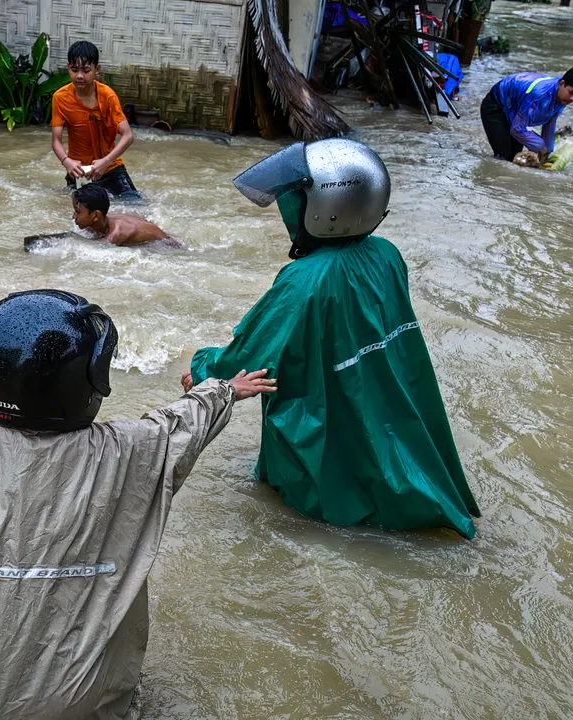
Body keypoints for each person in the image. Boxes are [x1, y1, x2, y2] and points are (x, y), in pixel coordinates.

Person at [0, 289, 275, 719]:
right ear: (89, 382)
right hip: (73, 709)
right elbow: (180, 425)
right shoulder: (130, 450)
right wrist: (225, 389)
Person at [184, 139, 481, 538]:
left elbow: (249, 356)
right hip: (378, 405)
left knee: (316, 512)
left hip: (327, 428)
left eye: (295, 200)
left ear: (325, 208)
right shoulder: (387, 254)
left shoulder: (304, 279)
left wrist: (202, 368)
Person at [51, 41, 141, 200]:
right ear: (68, 68)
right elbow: (56, 141)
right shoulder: (60, 98)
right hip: (78, 170)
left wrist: (105, 162)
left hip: (110, 167)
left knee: (136, 206)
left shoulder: (108, 97)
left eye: (86, 70)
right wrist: (67, 162)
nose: (79, 75)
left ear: (96, 70)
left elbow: (128, 136)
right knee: (79, 216)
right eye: (74, 70)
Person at [480, 66, 573, 163]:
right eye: (572, 92)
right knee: (504, 158)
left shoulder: (562, 96)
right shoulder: (538, 95)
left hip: (514, 110)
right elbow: (517, 129)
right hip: (495, 105)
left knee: (514, 157)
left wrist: (548, 151)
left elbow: (550, 122)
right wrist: (540, 146)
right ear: (561, 84)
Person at [72, 183, 178, 247]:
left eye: (78, 212)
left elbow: (94, 250)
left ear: (95, 216)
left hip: (168, 245)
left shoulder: (117, 232)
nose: (74, 216)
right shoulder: (99, 220)